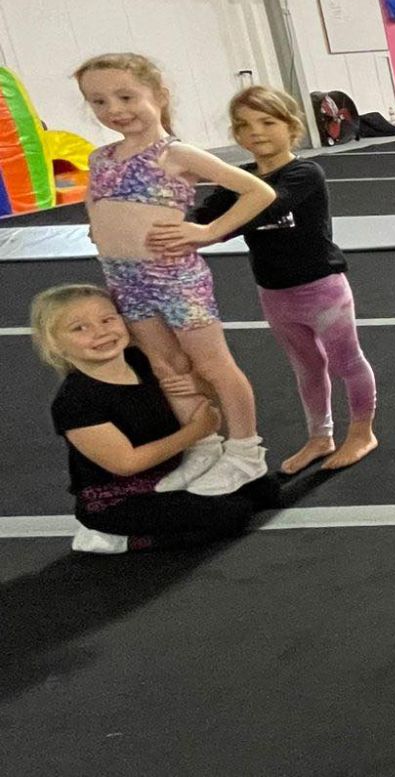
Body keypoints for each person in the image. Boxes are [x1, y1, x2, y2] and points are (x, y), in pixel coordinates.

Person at [74, 53, 272, 496]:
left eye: (126, 96)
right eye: (99, 102)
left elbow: (258, 190)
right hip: (123, 278)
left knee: (212, 365)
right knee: (167, 366)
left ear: (158, 96)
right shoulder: (100, 157)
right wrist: (102, 227)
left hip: (174, 277)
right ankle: (203, 442)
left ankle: (245, 451)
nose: (114, 110)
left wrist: (208, 231)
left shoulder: (175, 153)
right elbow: (98, 205)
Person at [188, 86, 380, 475]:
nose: (256, 132)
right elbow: (204, 216)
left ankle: (362, 433)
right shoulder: (239, 180)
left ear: (291, 127)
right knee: (306, 367)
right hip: (274, 292)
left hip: (321, 288)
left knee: (346, 361)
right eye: (244, 125)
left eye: (267, 122)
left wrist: (212, 232)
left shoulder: (305, 173)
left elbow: (265, 206)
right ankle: (320, 436)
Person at [33, 284, 276, 555]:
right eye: (80, 328)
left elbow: (211, 396)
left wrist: (198, 385)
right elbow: (126, 463)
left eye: (107, 319)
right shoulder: (76, 401)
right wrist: (197, 431)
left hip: (173, 473)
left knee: (264, 491)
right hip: (118, 500)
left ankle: (183, 497)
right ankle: (113, 539)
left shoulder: (140, 360)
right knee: (231, 514)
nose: (100, 332)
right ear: (55, 344)